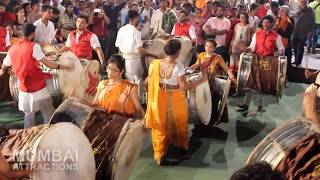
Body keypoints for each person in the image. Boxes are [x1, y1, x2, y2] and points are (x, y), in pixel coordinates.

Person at [145, 39, 206, 165]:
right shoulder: (179, 67)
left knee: (159, 126)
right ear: (178, 52)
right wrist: (200, 81)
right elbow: (183, 86)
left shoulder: (154, 64)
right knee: (180, 124)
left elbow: (147, 82)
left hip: (159, 99)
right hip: (175, 99)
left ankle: (159, 156)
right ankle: (183, 151)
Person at [0, 24, 72, 128]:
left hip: (23, 88)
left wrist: (3, 71)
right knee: (48, 112)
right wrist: (64, 67)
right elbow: (48, 64)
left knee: (28, 115)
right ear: (33, 34)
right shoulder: (34, 46)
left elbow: (5, 65)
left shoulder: (13, 48)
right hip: (37, 87)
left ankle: (27, 137)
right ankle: (49, 132)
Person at [237, 15, 284, 114]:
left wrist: (279, 52)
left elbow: (281, 49)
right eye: (263, 22)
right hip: (256, 60)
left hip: (269, 62)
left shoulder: (277, 36)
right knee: (251, 82)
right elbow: (252, 47)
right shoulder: (257, 34)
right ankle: (246, 104)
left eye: (267, 22)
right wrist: (247, 49)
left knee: (263, 84)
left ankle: (260, 106)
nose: (265, 24)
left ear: (271, 24)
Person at [116, 10, 157, 102]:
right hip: (134, 60)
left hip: (124, 58)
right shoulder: (136, 32)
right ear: (136, 19)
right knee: (138, 80)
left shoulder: (121, 29)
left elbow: (117, 45)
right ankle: (138, 100)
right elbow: (141, 50)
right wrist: (153, 54)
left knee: (127, 80)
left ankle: (126, 100)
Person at [92, 55, 145, 119]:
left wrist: (143, 120)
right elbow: (94, 104)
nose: (110, 72)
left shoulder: (129, 88)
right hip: (101, 121)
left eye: (114, 70)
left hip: (121, 124)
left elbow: (138, 108)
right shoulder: (102, 84)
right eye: (109, 68)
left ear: (121, 72)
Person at [292, 0, 315, 67]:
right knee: (295, 47)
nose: (303, 2)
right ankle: (296, 60)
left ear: (306, 2)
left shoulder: (310, 10)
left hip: (303, 32)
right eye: (302, 1)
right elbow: (293, 17)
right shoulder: (297, 9)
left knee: (300, 48)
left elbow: (312, 21)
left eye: (304, 1)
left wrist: (309, 32)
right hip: (295, 32)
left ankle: (298, 62)